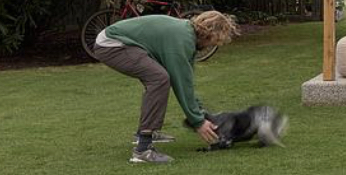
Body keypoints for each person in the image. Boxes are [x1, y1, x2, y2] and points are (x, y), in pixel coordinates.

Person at [93, 9, 239, 164]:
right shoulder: (182, 39)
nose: (211, 46)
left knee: (159, 78)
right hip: (112, 44)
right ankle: (143, 149)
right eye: (214, 42)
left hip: (120, 42)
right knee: (159, 79)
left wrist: (200, 113)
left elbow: (186, 82)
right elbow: (180, 83)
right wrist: (198, 122)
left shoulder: (186, 34)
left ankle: (145, 133)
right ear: (209, 35)